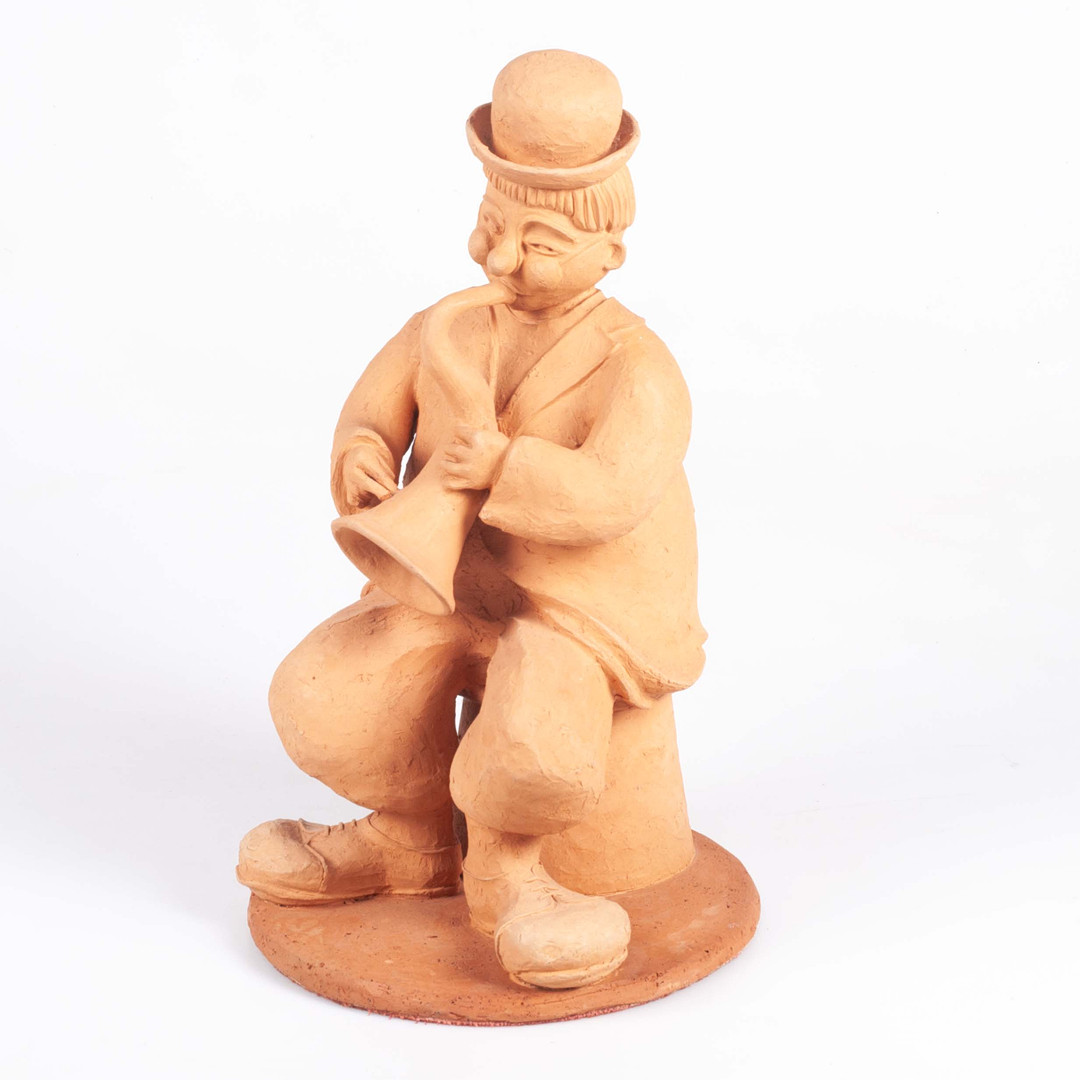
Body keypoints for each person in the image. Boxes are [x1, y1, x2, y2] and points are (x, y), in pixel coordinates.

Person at [237, 49, 706, 990]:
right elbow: (372, 414)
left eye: (539, 243)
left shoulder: (639, 368)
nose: (499, 259)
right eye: (492, 226)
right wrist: (363, 460)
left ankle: (513, 880)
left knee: (536, 735)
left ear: (610, 253)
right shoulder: (446, 324)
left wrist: (506, 467)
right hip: (452, 584)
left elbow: (615, 493)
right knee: (332, 692)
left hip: (585, 613)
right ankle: (409, 843)